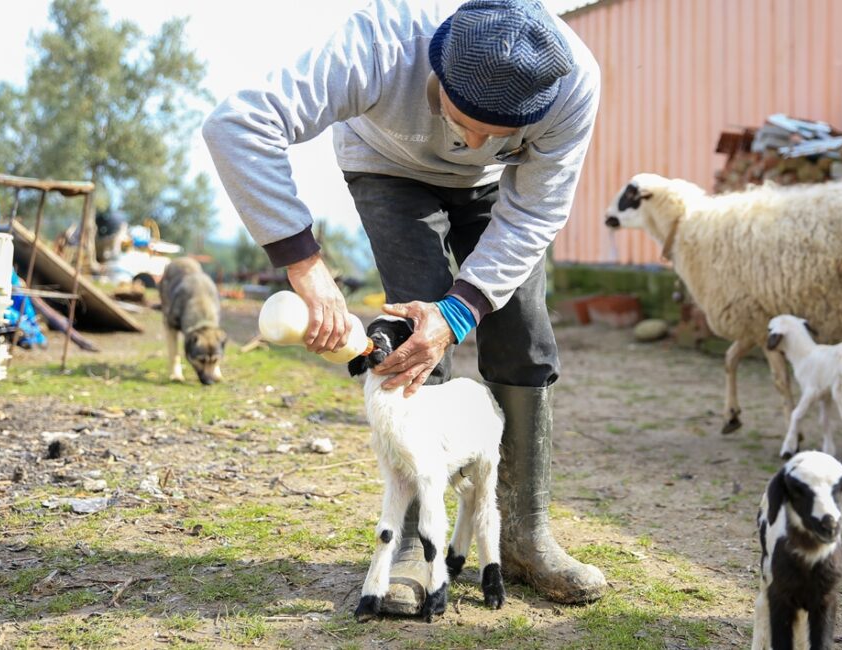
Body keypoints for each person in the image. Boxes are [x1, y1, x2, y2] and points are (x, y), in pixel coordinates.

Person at [203, 0, 606, 611]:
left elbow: (537, 212)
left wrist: (462, 310)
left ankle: (525, 535)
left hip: (503, 190)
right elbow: (235, 125)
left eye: (498, 132)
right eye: (465, 121)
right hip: (388, 165)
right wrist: (305, 267)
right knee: (415, 334)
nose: (473, 144)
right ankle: (422, 546)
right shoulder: (381, 45)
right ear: (434, 77)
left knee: (524, 331)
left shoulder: (571, 79)